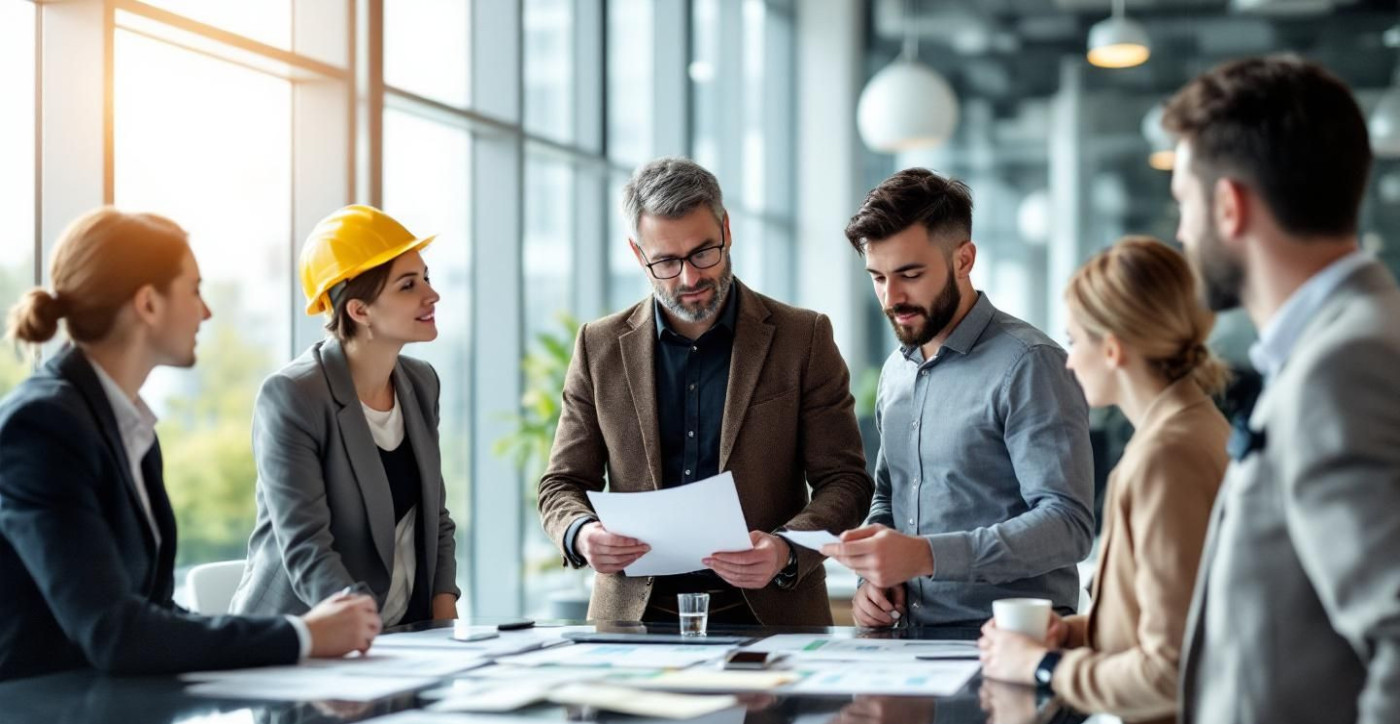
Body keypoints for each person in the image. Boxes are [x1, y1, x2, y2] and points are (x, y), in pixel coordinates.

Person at [0, 208, 379, 681]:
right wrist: (302, 636)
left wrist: (298, 634)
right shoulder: (45, 426)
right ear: (148, 304)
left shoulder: (125, 424)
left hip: (108, 720)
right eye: (194, 290)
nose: (206, 311)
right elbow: (115, 632)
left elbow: (155, 611)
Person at [1164, 55, 1400, 724]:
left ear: (1229, 206)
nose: (1180, 230)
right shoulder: (1355, 336)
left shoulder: (1344, 362)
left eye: (1183, 202)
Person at [538, 157, 873, 626]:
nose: (690, 279)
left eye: (702, 253)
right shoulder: (599, 348)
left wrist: (785, 547)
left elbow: (847, 481)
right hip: (632, 623)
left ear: (727, 230)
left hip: (770, 619)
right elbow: (562, 485)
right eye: (666, 262)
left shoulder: (804, 338)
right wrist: (580, 532)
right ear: (638, 255)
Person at [978, 236, 1231, 724]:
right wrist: (1072, 634)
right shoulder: (1193, 426)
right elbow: (1180, 616)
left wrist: (1043, 668)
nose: (1067, 361)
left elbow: (1171, 668)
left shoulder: (1168, 455)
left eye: (1074, 341)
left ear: (1113, 349)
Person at [825, 168, 1094, 628]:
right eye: (878, 277)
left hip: (1011, 645)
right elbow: (890, 496)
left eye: (910, 274)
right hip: (907, 646)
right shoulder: (895, 371)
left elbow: (1067, 525)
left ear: (964, 260)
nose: (892, 297)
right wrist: (873, 580)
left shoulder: (1030, 364)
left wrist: (927, 556)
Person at [231, 205, 461, 627]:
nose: (432, 294)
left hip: (404, 640)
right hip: (301, 641)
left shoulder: (421, 383)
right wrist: (365, 634)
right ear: (359, 311)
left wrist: (444, 620)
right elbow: (306, 547)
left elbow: (436, 519)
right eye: (408, 286)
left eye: (425, 277)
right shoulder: (294, 396)